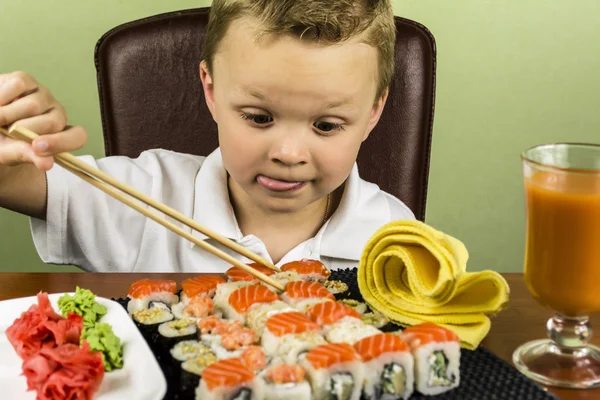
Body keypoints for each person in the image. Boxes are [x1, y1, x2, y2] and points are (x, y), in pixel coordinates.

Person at [0, 0, 415, 273]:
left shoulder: (395, 237)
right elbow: (12, 181)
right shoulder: (143, 198)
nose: (289, 154)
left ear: (374, 111)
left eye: (326, 125)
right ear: (211, 89)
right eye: (258, 117)